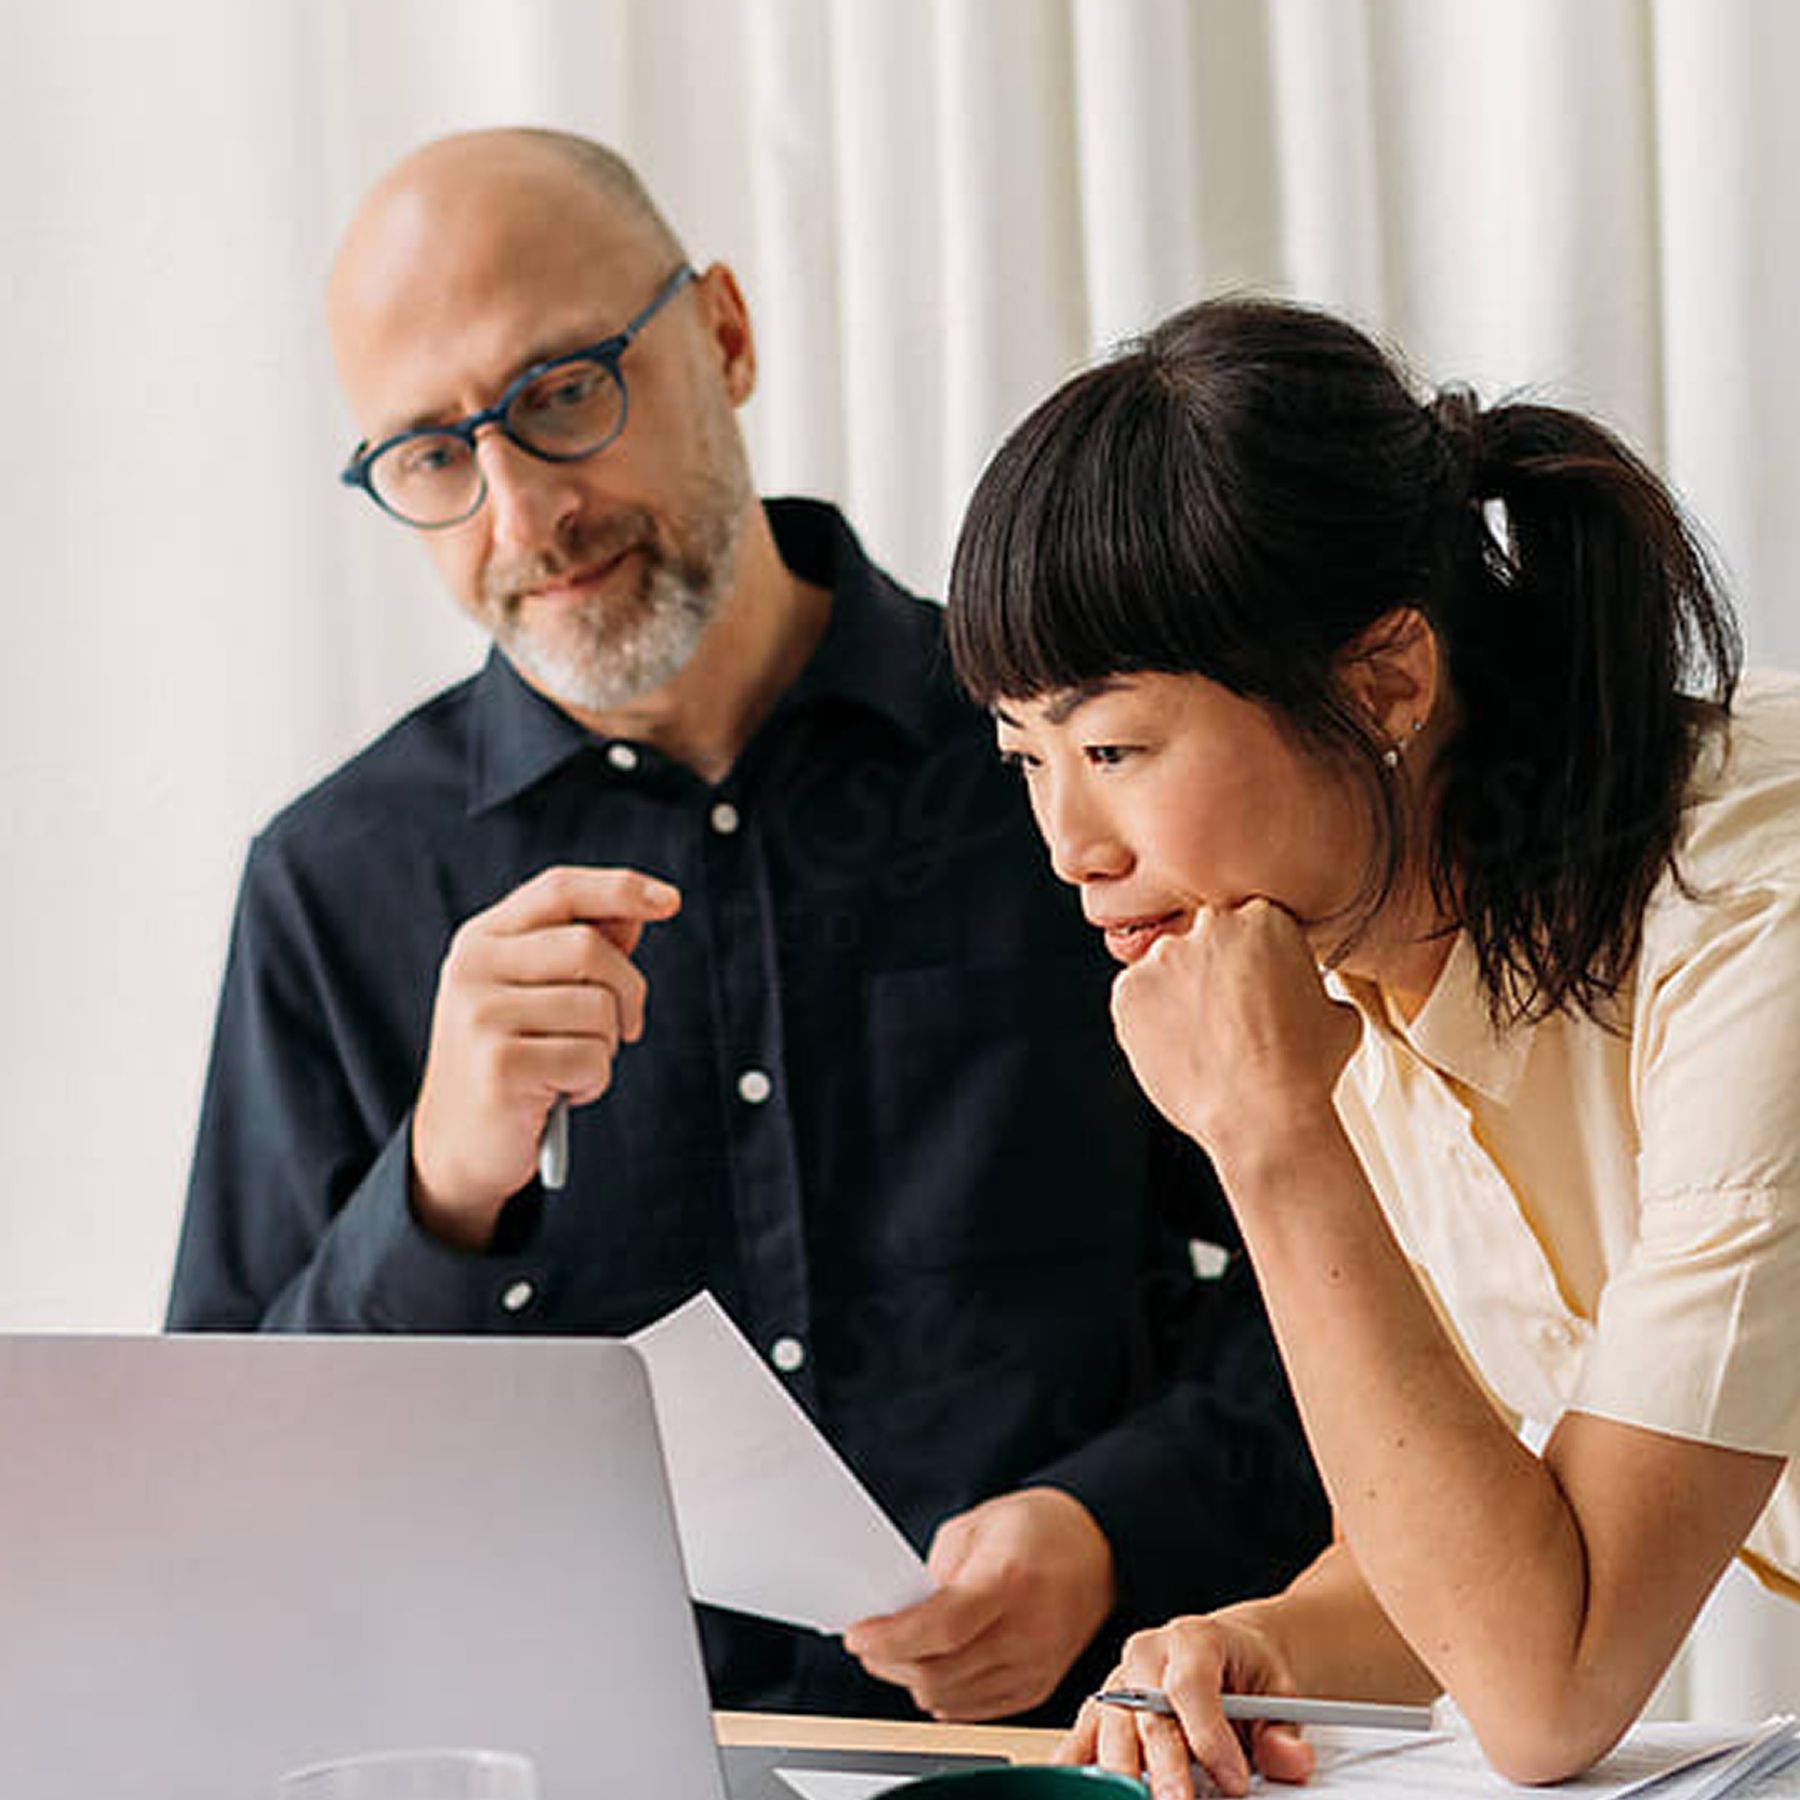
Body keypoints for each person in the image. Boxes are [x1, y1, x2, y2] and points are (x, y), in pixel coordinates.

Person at [164, 130, 1329, 1723]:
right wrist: (437, 1183)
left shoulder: (1074, 771)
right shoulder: (329, 880)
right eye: (434, 456)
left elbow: (1364, 1282)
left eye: (564, 391)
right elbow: (219, 1506)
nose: (522, 517)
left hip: (1090, 1763)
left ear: (724, 332)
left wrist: (1112, 1526)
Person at [943, 293, 1799, 1788]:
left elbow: (1550, 1690)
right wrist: (1275, 1639)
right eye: (1029, 760)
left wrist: (1273, 1146)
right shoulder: (1355, 947)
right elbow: (1479, 1561)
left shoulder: (1750, 925)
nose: (1069, 844)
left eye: (1115, 750)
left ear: (1386, 683)